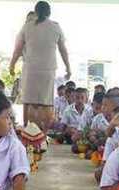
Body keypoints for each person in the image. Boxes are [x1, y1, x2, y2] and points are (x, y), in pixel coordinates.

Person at [9, 1, 72, 132]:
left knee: (31, 103)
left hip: (31, 70)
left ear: (36, 12)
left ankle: (30, 133)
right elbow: (63, 50)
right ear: (49, 12)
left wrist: (12, 65)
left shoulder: (27, 27)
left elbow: (17, 49)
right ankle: (43, 135)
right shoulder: (55, 27)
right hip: (48, 70)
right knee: (46, 103)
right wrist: (68, 68)